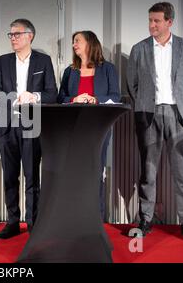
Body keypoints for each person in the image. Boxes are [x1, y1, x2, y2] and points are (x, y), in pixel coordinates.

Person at [126, 2, 183, 242]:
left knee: (181, 173)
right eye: (150, 20)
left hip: (179, 116)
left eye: (157, 21)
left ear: (169, 21)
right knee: (148, 172)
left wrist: (181, 105)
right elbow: (132, 84)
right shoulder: (139, 49)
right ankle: (146, 220)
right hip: (148, 115)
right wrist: (145, 103)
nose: (152, 25)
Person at [0, 19, 58, 239]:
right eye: (11, 35)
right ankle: (12, 221)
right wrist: (14, 100)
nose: (13, 38)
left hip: (32, 125)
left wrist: (34, 96)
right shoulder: (3, 61)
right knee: (10, 177)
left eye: (17, 34)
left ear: (30, 35)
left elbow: (52, 95)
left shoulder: (44, 61)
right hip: (7, 126)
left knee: (31, 176)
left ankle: (33, 223)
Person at [57, 31, 120, 222]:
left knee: (96, 171)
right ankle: (75, 216)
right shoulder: (70, 71)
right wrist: (75, 99)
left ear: (90, 43)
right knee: (75, 172)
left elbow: (115, 96)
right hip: (73, 127)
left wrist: (95, 100)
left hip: (98, 126)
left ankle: (97, 217)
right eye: (73, 41)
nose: (74, 45)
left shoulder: (107, 68)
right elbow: (61, 98)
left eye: (77, 41)